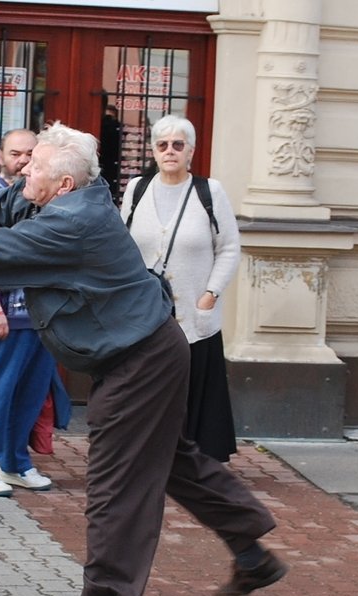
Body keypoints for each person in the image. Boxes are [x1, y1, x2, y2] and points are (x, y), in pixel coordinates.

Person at [0, 121, 286, 596]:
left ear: (63, 183)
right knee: (170, 461)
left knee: (113, 488)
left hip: (143, 362)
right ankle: (252, 554)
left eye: (33, 166)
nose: (22, 171)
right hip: (139, 353)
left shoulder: (72, 223)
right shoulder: (46, 197)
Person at [121, 114, 240, 462]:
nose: (170, 151)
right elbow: (122, 243)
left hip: (193, 310)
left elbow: (229, 247)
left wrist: (211, 293)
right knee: (148, 384)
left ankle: (194, 458)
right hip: (146, 311)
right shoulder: (137, 189)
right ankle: (150, 454)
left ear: (190, 150)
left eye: (178, 144)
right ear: (154, 151)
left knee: (194, 383)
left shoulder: (209, 191)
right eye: (162, 145)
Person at [0, 128, 57, 498]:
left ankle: (14, 462)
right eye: (15, 153)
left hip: (42, 313)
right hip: (4, 311)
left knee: (31, 393)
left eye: (30, 154)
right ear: (1, 156)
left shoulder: (43, 197)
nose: (23, 160)